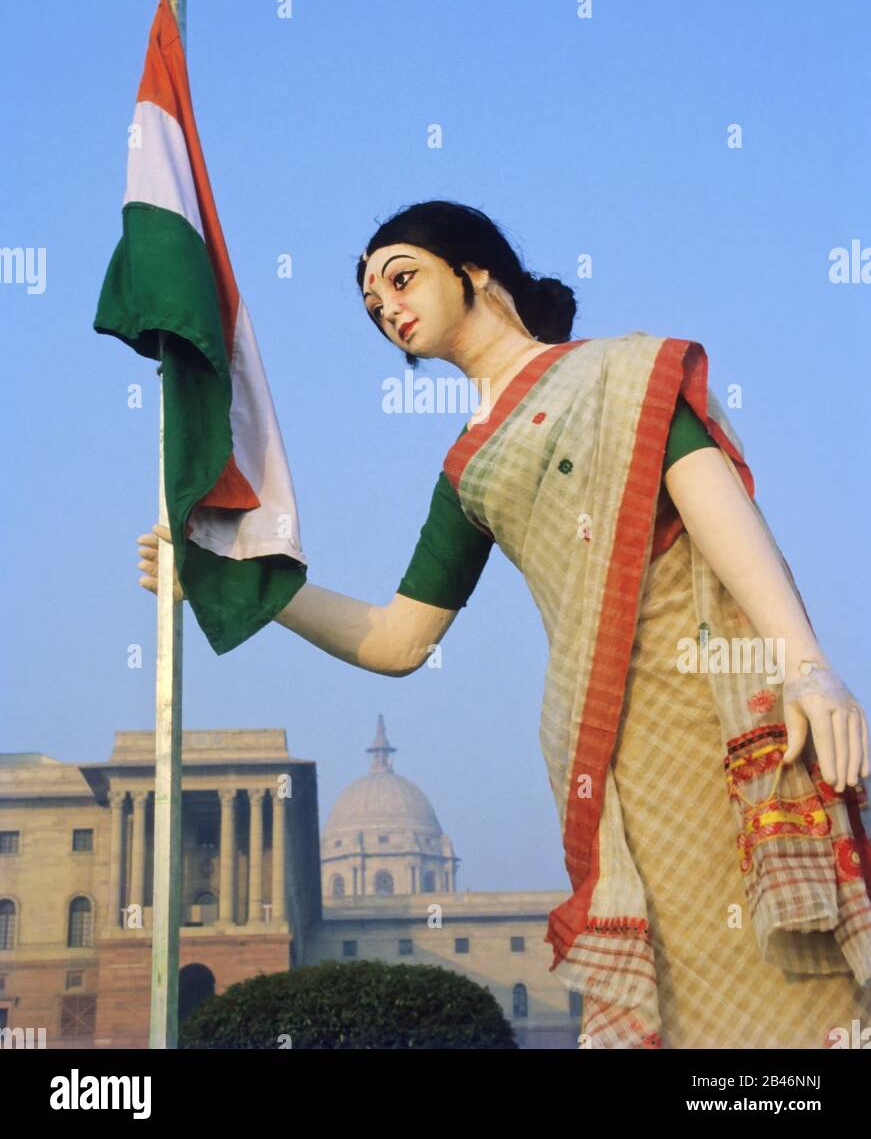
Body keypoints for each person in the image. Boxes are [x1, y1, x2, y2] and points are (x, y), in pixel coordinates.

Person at [138, 200, 871, 1049]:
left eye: (401, 278)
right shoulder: (466, 467)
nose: (389, 309)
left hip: (715, 718)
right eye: (373, 306)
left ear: (474, 271)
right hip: (610, 757)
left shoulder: (618, 377)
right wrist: (243, 582)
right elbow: (397, 639)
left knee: (789, 978)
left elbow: (722, 514)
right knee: (680, 982)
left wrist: (806, 666)